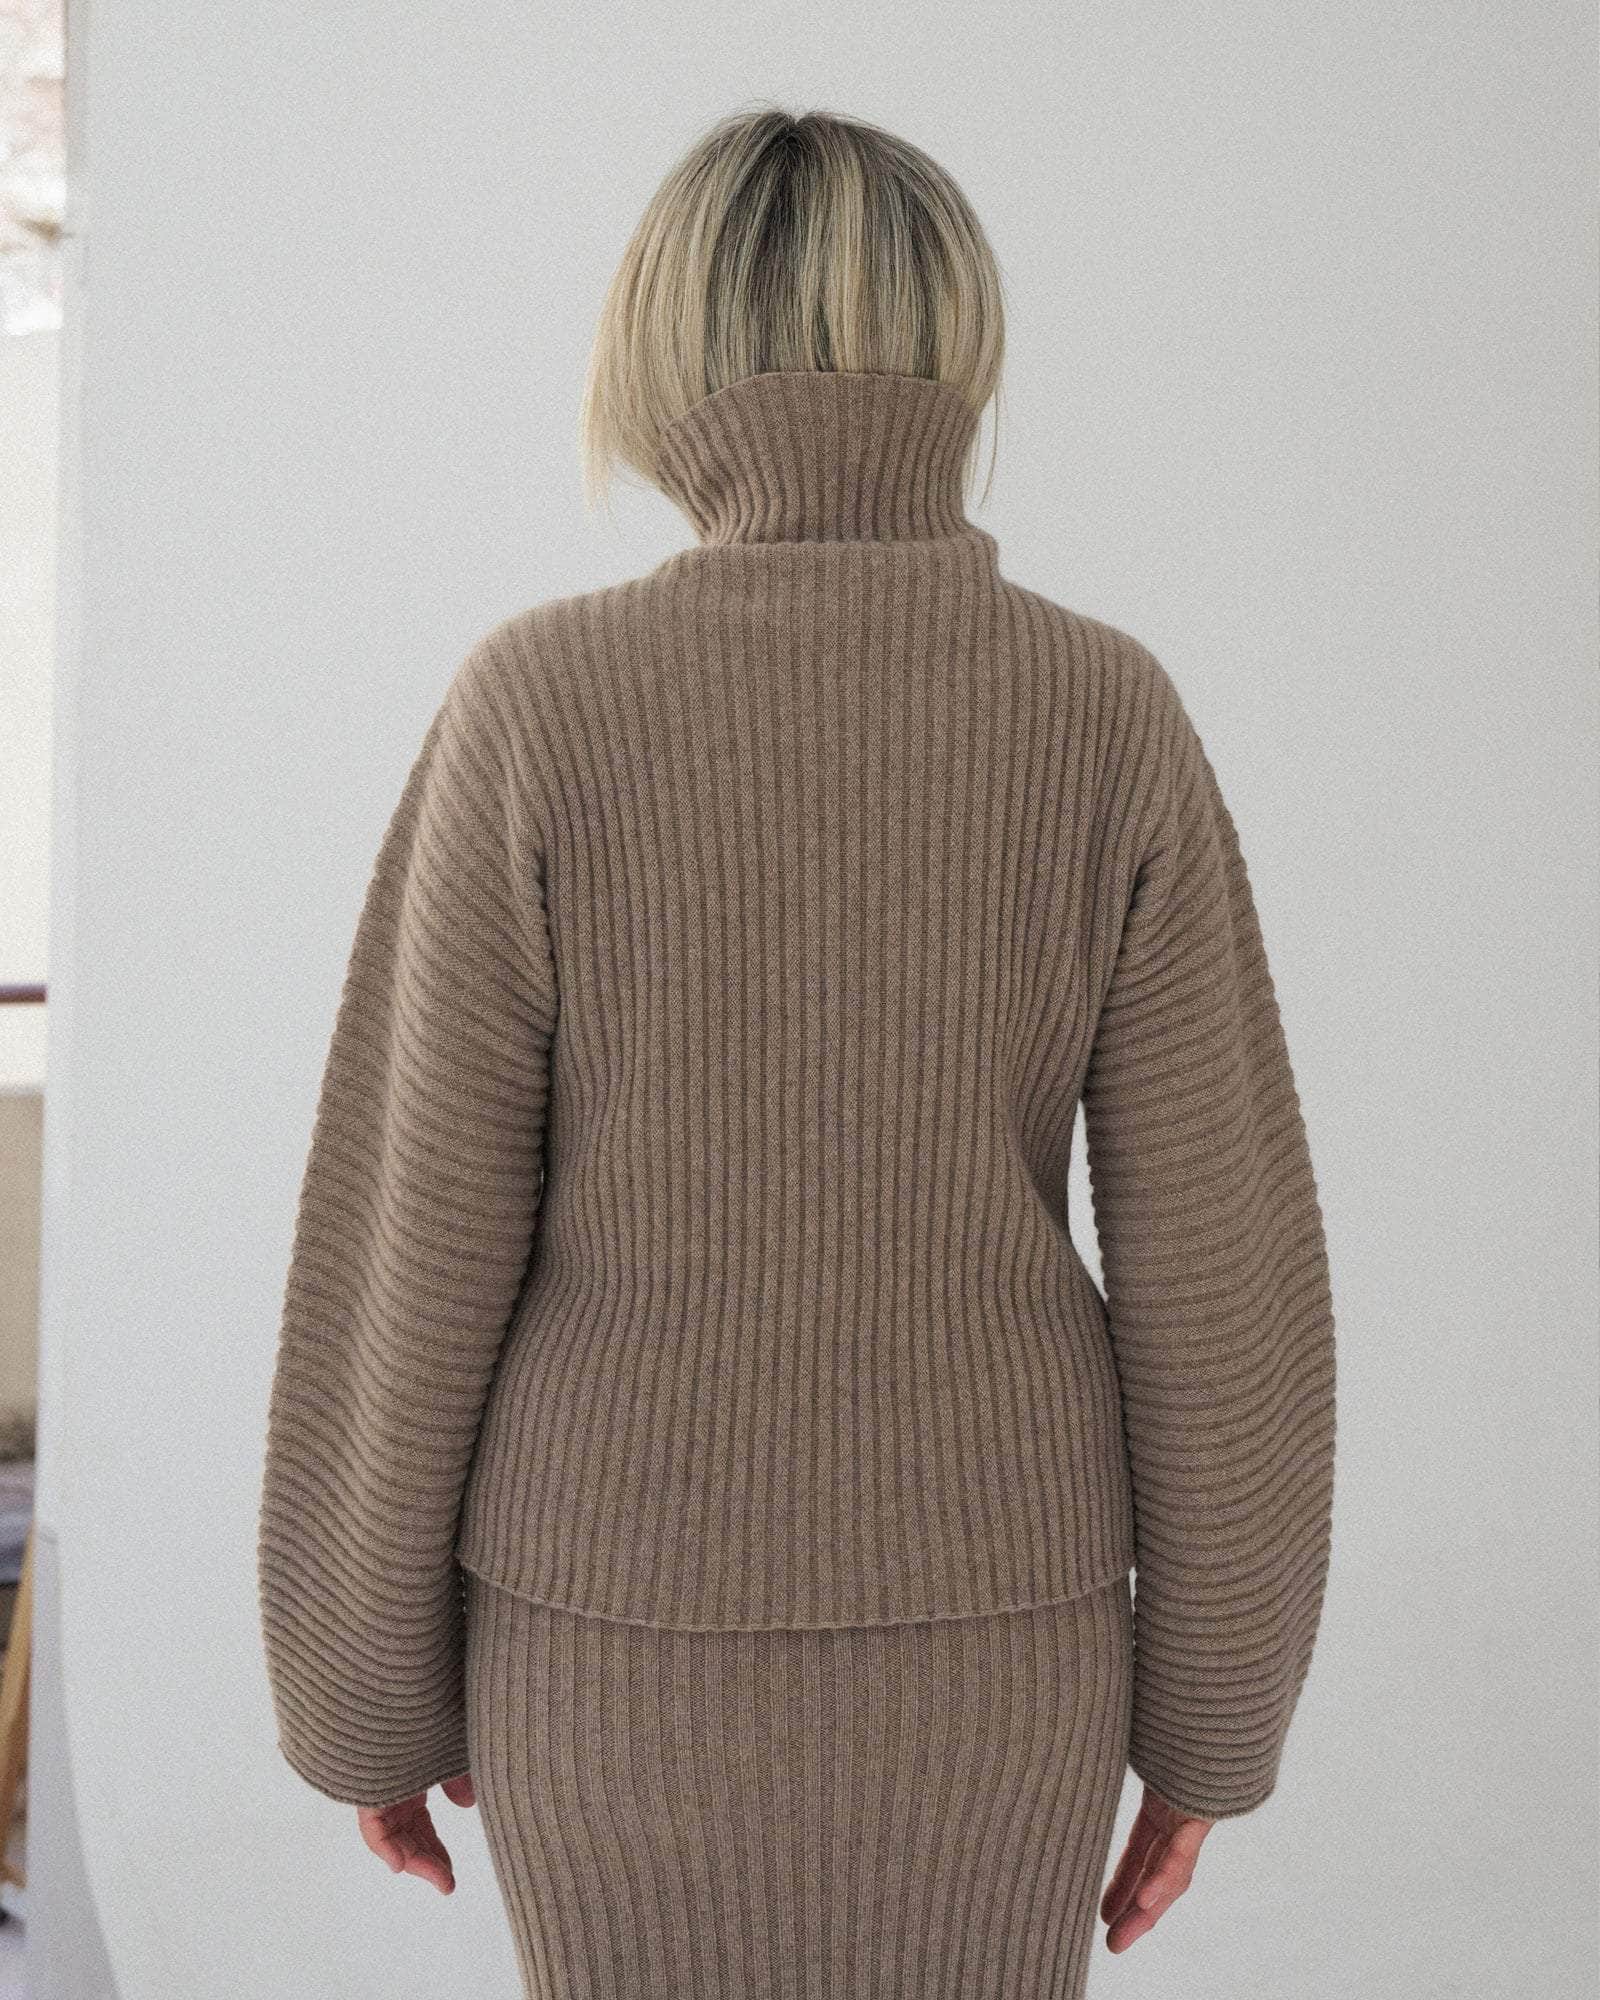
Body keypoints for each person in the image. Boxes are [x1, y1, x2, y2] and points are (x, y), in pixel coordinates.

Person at [257, 103, 1337, 1999]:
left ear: (657, 350)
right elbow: (1219, 1270)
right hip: (1004, 1642)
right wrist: (1214, 1719)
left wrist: (362, 1690)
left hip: (609, 1641)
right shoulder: (1104, 710)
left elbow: (411, 1244)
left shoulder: (541, 702)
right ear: (959, 341)